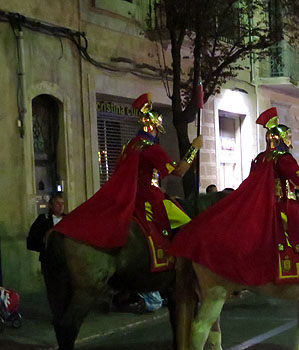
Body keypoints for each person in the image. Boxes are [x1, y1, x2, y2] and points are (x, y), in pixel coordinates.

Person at [170, 107, 299, 297]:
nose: (290, 140)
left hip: (264, 208)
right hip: (284, 208)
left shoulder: (260, 159)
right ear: (282, 139)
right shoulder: (284, 158)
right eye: (288, 136)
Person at [53, 93, 203, 252]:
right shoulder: (151, 148)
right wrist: (194, 148)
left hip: (128, 196)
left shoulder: (128, 146)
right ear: (153, 128)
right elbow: (179, 171)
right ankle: (175, 257)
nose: (158, 134)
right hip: (148, 198)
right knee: (187, 224)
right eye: (157, 130)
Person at [27, 193, 66, 270]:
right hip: (49, 260)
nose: (61, 206)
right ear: (51, 205)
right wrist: (45, 241)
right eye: (57, 203)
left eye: (62, 203)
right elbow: (32, 240)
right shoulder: (43, 220)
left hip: (65, 259)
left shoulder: (67, 219)